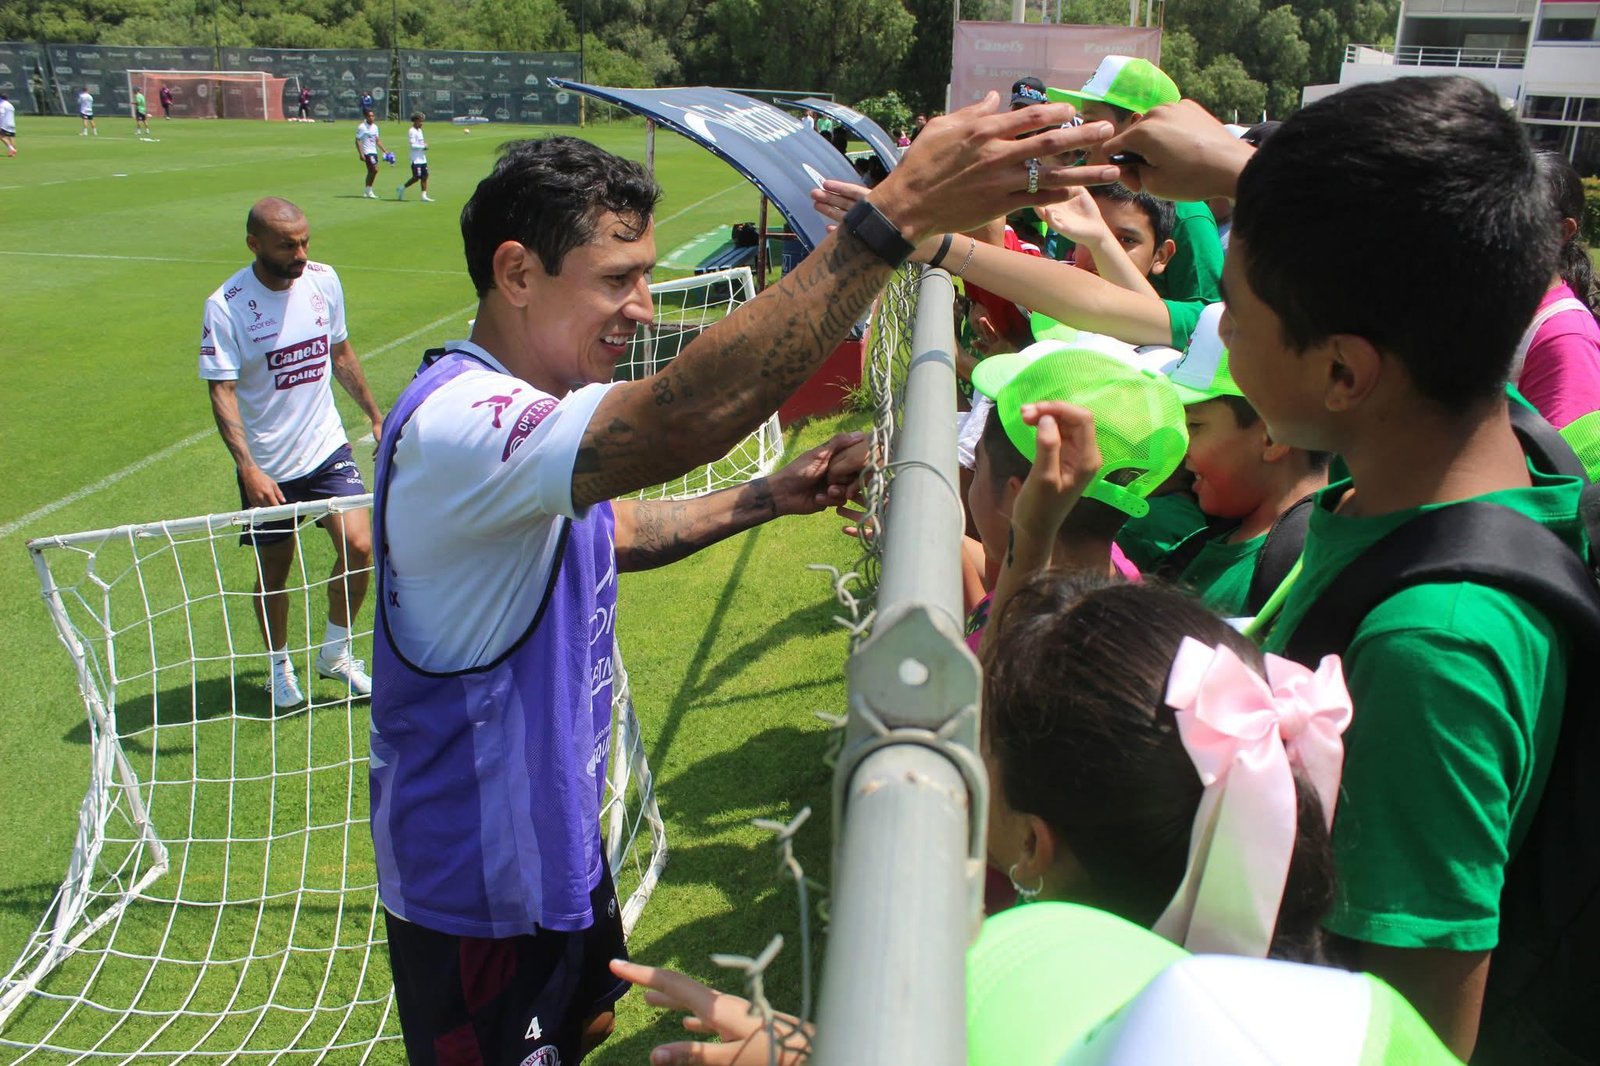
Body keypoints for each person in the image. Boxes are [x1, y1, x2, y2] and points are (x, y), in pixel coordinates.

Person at [369, 101, 1117, 1066]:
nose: (643, 304)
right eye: (617, 280)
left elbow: (612, 529)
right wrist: (894, 216)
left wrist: (769, 497)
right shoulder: (462, 423)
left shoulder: (532, 412)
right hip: (476, 886)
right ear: (517, 272)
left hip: (549, 839)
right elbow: (687, 414)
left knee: (587, 1026)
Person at [1104, 78, 1589, 1059]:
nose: (1219, 330)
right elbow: (1432, 247)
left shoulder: (1434, 650)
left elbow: (1412, 1031)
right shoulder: (1500, 449)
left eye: (1233, 312)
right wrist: (1251, 175)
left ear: (1339, 374)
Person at [198, 197, 385, 710]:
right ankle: (280, 666)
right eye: (288, 244)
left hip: (326, 448)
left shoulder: (323, 280)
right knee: (275, 572)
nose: (301, 252)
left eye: (305, 240)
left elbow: (340, 351)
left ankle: (336, 653)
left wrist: (374, 413)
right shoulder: (227, 305)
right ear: (255, 244)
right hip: (270, 468)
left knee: (361, 547)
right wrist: (248, 468)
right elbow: (223, 391)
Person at [1153, 304, 1329, 619]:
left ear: (1273, 438)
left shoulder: (1309, 565)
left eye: (1195, 426)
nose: (1182, 445)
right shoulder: (1206, 543)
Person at [1048, 57, 1223, 327]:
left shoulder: (1188, 215)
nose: (1080, 135)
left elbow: (1206, 325)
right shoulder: (1073, 187)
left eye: (1091, 122)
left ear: (1135, 124)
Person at [1510, 150, 1600, 428]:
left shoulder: (1566, 337)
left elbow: (1562, 464)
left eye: (1516, 218)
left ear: (1562, 233)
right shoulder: (1498, 309)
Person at [397, 111, 432, 202]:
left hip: (422, 158)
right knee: (416, 177)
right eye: (420, 121)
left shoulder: (420, 130)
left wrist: (424, 146)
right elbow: (412, 145)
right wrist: (423, 146)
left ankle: (423, 196)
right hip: (415, 159)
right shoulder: (411, 131)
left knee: (425, 176)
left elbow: (419, 143)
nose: (422, 123)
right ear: (416, 121)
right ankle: (402, 188)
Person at [354, 109, 385, 199]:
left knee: (371, 171)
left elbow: (377, 140)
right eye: (369, 116)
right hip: (367, 152)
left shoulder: (375, 127)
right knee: (375, 169)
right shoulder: (362, 127)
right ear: (366, 117)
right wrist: (361, 154)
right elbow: (357, 140)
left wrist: (384, 151)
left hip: (373, 151)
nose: (371, 118)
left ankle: (367, 191)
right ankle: (369, 191)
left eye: (373, 116)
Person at [0, 93, 15, 157]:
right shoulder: (10, 105)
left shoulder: (2, 104)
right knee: (11, 136)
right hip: (12, 122)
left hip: (4, 123)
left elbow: (1, 114)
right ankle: (13, 152)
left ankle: (12, 149)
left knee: (1, 136)